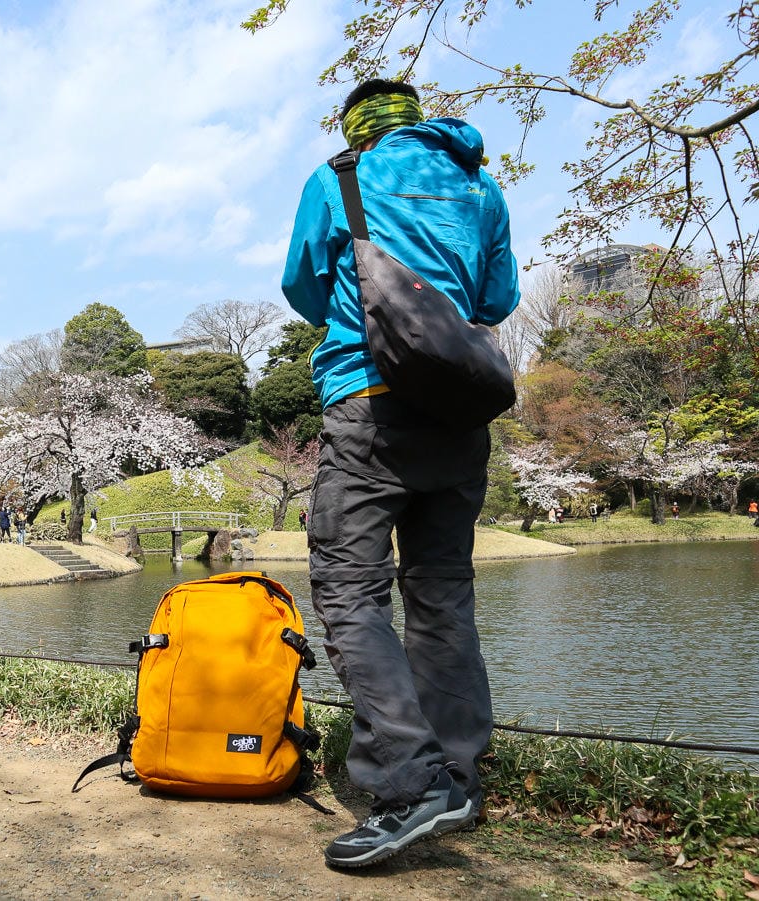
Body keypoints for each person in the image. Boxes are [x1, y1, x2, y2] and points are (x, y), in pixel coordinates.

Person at [281, 78, 520, 869]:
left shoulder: (338, 177)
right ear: (418, 120)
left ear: (357, 125)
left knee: (348, 590)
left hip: (368, 404)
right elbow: (497, 296)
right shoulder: (480, 185)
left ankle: (411, 784)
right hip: (458, 417)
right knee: (442, 592)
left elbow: (303, 285)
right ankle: (456, 775)